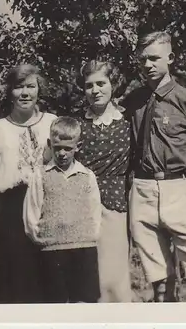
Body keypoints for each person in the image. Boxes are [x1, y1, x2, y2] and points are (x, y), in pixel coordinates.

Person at [123, 31, 186, 302]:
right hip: (143, 193)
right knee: (161, 290)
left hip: (181, 190)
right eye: (143, 60)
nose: (147, 65)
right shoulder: (132, 101)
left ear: (170, 58)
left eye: (154, 58)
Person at [0, 64, 57, 304]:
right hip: (12, 212)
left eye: (30, 86)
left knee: (48, 283)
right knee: (14, 284)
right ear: (10, 91)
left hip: (48, 209)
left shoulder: (53, 123)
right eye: (18, 87)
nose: (25, 93)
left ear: (39, 90)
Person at [23, 116, 101, 303]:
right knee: (55, 303)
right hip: (52, 251)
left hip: (83, 249)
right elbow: (31, 214)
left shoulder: (87, 176)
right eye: (57, 148)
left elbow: (95, 212)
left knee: (84, 303)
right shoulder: (40, 175)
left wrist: (89, 236)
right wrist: (44, 239)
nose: (62, 153)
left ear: (78, 147)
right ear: (50, 144)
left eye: (68, 148)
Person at [76, 60, 133, 303]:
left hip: (115, 203)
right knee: (87, 275)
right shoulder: (77, 123)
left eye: (101, 83)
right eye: (89, 85)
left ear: (113, 85)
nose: (95, 90)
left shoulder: (128, 120)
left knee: (114, 275)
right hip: (82, 206)